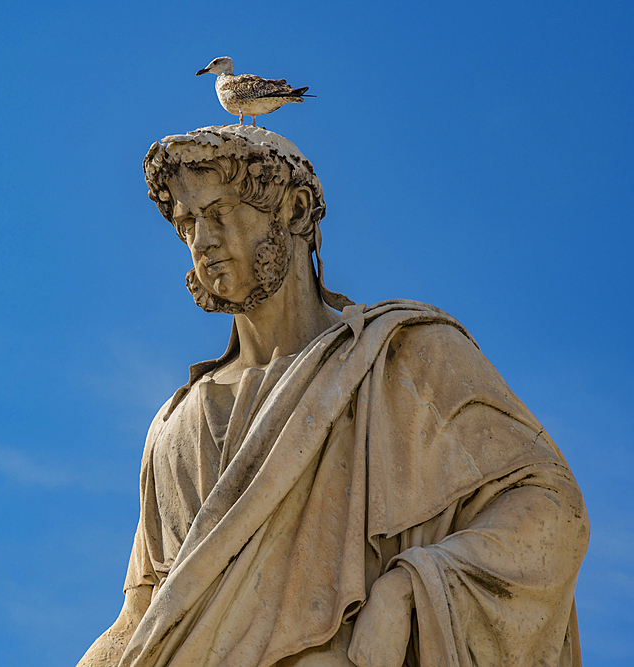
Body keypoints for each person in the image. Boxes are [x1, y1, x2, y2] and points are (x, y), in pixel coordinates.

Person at [77, 126, 588, 667]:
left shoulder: (403, 357)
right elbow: (142, 617)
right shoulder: (174, 427)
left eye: (220, 213)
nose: (201, 240)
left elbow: (551, 509)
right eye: (187, 223)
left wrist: (407, 594)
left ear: (295, 212)